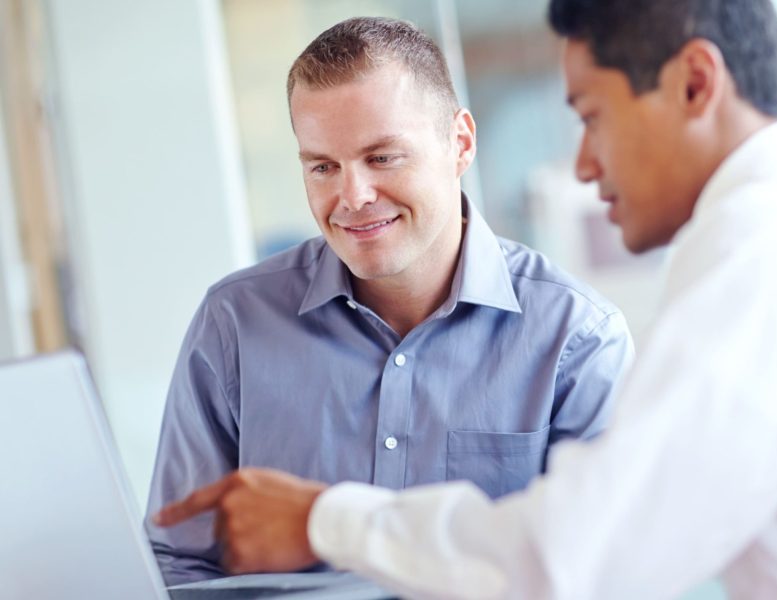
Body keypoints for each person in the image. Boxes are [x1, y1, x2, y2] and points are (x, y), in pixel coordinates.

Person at [155, 1, 777, 597]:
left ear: (694, 84)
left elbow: (584, 556)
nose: (583, 161)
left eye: (591, 115)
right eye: (323, 165)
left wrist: (322, 518)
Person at [145, 16, 634, 585]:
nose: (351, 197)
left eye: (382, 158)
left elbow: (599, 572)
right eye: (323, 167)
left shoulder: (577, 339)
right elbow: (177, 566)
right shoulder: (233, 325)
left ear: (461, 142)